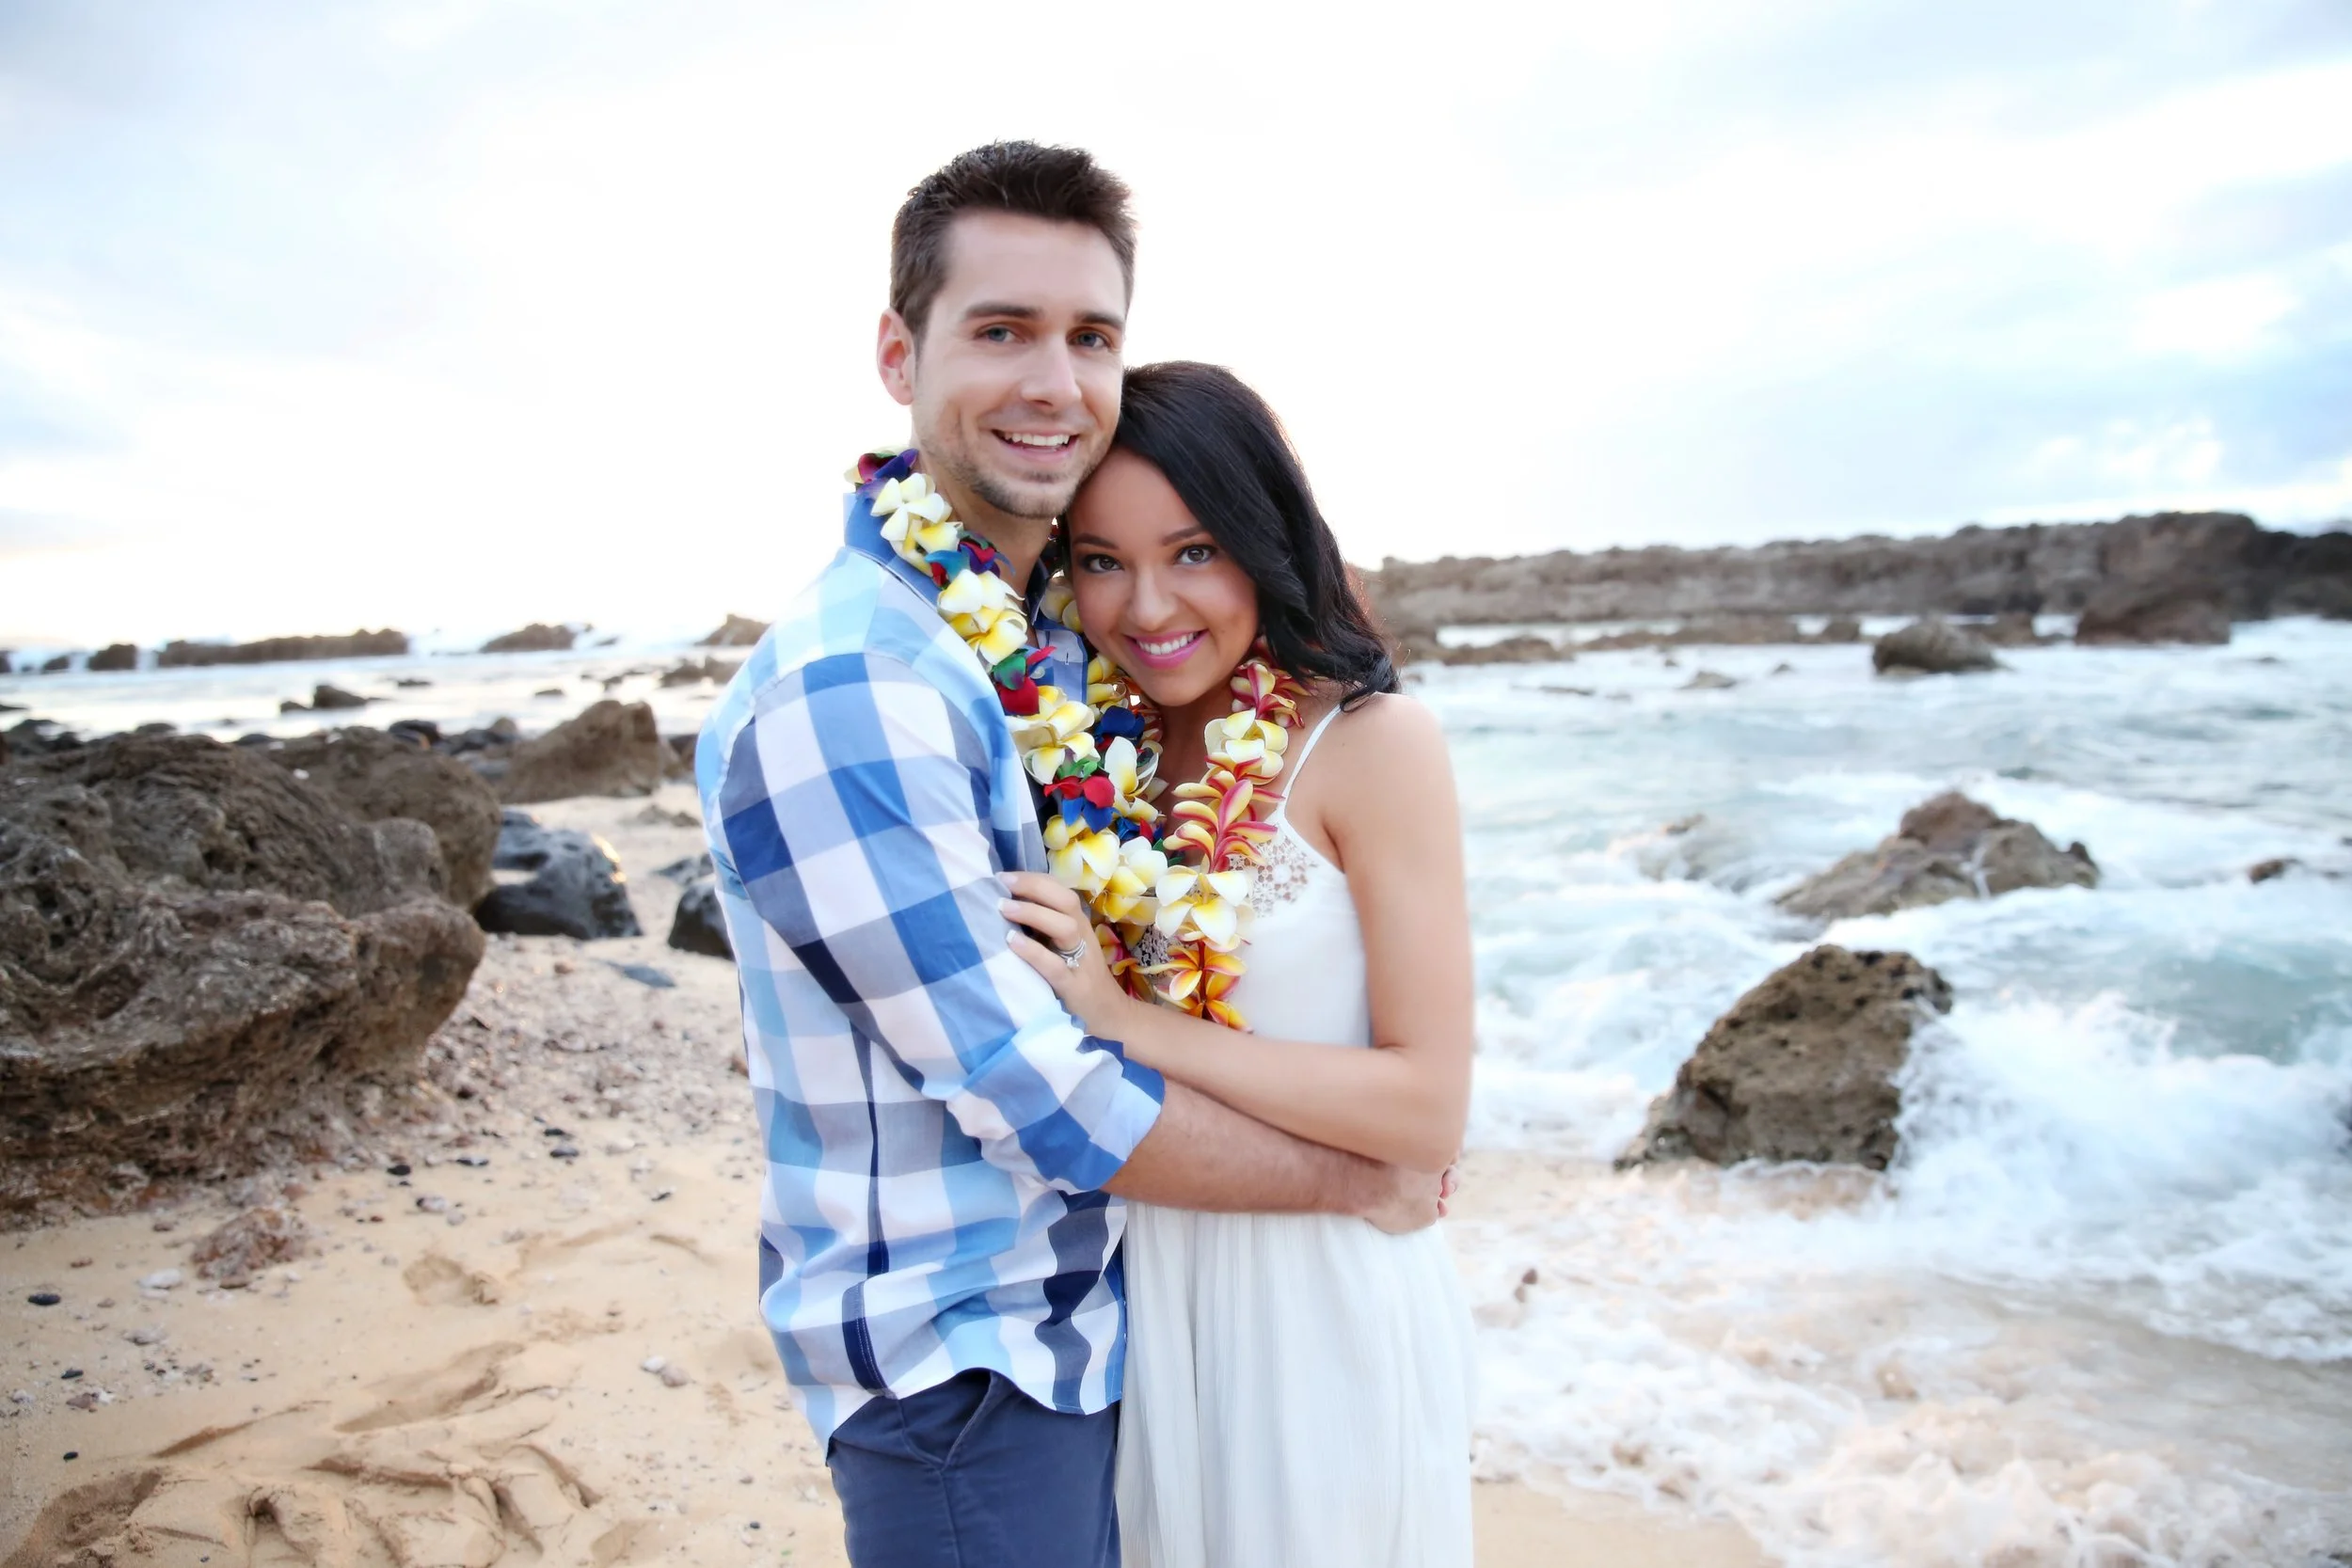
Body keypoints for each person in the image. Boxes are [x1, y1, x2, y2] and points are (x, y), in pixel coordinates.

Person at [695, 142, 1442, 1568]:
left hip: (1103, 1329)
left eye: (1091, 336)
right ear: (895, 350)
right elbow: (1035, 1095)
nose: (1055, 380)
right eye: (1002, 330)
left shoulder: (1031, 646)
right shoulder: (858, 687)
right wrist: (1358, 1183)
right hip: (969, 1366)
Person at [999, 360, 1479, 1568]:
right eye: (1101, 559)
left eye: (1194, 550)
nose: (1148, 605)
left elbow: (1427, 1107)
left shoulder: (1372, 746)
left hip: (1322, 1290)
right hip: (1143, 1287)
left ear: (1262, 541)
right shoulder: (1084, 761)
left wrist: (1134, 1022)